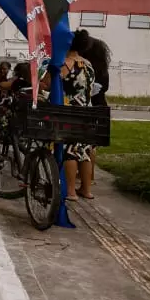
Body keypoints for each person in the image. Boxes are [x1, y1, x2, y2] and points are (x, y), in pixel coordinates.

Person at [60, 42, 97, 201]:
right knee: (85, 152)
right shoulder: (88, 64)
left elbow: (50, 83)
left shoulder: (65, 63)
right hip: (88, 112)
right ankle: (86, 190)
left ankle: (70, 192)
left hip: (71, 112)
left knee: (70, 151)